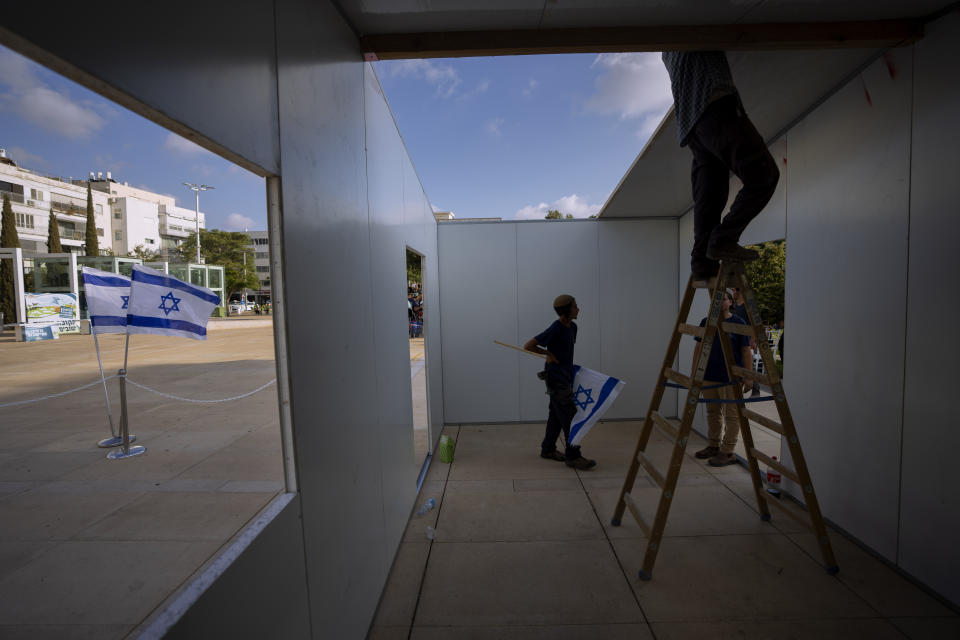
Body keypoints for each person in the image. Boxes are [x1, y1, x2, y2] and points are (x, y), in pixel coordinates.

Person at [661, 52, 780, 280]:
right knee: (763, 175)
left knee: (710, 198)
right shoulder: (688, 20)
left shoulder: (667, 49)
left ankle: (702, 264)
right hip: (715, 103)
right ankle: (724, 239)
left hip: (692, 124)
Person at [523, 295, 596, 470]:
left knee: (556, 416)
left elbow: (566, 351)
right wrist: (547, 353)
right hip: (555, 379)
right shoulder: (556, 328)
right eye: (575, 306)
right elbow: (529, 346)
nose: (578, 309)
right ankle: (573, 456)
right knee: (570, 417)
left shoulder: (573, 327)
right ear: (566, 310)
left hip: (566, 376)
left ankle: (548, 449)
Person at [692, 289, 752, 467]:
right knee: (713, 413)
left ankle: (728, 452)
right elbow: (699, 348)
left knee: (732, 416)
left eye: (723, 299)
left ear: (730, 302)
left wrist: (748, 377)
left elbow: (745, 350)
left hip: (731, 378)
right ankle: (714, 445)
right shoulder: (706, 322)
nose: (719, 303)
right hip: (709, 375)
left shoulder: (738, 322)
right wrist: (695, 372)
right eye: (716, 300)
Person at [731, 287, 759, 397]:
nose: (732, 292)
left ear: (740, 291)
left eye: (733, 290)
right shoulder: (734, 306)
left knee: (749, 364)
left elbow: (754, 324)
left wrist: (752, 340)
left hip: (747, 339)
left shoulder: (748, 306)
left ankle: (755, 388)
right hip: (735, 339)